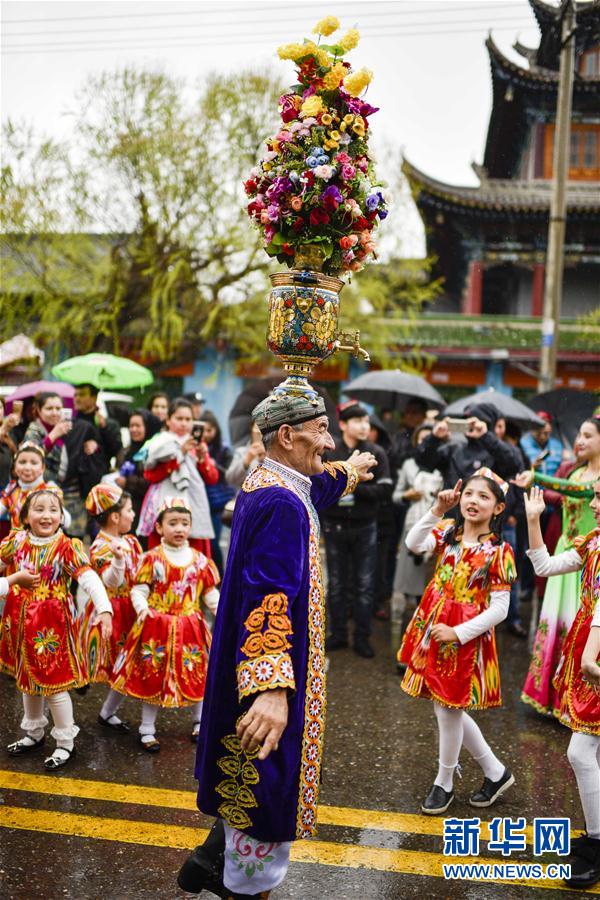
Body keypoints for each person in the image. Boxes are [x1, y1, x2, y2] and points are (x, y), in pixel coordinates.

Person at [178, 391, 376, 900]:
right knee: (264, 798)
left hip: (250, 667)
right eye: (322, 429)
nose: (331, 442)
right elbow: (269, 595)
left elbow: (315, 489)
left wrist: (349, 471)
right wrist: (272, 689)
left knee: (246, 782)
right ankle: (239, 883)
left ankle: (211, 858)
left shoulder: (268, 482)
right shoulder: (282, 504)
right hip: (269, 673)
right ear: (287, 436)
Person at [398, 470, 516, 815]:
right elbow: (412, 544)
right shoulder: (447, 534)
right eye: (470, 494)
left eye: (484, 497)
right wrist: (436, 509)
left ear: (498, 508)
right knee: (445, 706)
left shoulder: (499, 551)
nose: (473, 501)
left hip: (464, 638)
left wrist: (459, 633)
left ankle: (444, 782)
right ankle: (495, 772)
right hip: (435, 627)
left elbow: (501, 609)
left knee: (448, 707)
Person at [0, 486, 112, 770]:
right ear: (26, 516)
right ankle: (34, 733)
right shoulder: (16, 542)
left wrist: (105, 609)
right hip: (20, 625)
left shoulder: (66, 546)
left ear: (62, 516)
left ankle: (65, 743)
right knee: (27, 681)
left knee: (54, 685)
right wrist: (12, 580)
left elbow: (88, 578)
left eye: (53, 510)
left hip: (51, 628)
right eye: (39, 509)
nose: (46, 515)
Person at [524, 482, 600, 890]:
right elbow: (545, 567)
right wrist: (534, 522)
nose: (594, 505)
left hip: (596, 651)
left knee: (581, 750)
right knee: (589, 751)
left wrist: (590, 654)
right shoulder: (594, 543)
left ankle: (595, 842)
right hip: (590, 647)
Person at [110, 497, 219, 751]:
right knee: (153, 676)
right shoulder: (152, 559)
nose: (179, 529)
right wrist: (142, 608)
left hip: (190, 627)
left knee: (197, 673)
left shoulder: (200, 561)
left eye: (184, 523)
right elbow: (139, 589)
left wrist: (222, 610)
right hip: (156, 627)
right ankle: (147, 729)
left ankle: (199, 722)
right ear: (159, 527)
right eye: (172, 523)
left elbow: (209, 594)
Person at [518, 417, 600, 715]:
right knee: (558, 622)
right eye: (579, 434)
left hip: (589, 564)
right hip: (570, 551)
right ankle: (555, 696)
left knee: (584, 625)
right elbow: (563, 495)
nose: (580, 441)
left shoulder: (591, 481)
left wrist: (537, 477)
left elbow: (579, 492)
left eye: (588, 435)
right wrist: (534, 512)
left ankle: (579, 702)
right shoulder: (576, 472)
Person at [321, 400, 392, 658]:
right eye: (358, 421)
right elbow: (321, 484)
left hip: (365, 526)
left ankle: (362, 637)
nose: (364, 426)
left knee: (364, 584)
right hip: (334, 525)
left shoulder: (376, 453)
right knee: (337, 584)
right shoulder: (331, 450)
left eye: (366, 421)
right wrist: (348, 474)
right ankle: (338, 633)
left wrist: (351, 482)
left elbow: (384, 490)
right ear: (343, 425)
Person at [80, 483, 142, 733]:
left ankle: (107, 712)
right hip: (112, 612)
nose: (133, 514)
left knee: (128, 664)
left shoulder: (130, 541)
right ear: (115, 516)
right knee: (117, 664)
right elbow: (110, 582)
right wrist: (117, 558)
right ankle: (79, 688)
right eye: (130, 510)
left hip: (131, 607)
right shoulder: (100, 547)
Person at [137, 398, 218, 555]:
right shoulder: (160, 442)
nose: (184, 423)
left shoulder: (197, 444)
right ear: (168, 420)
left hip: (193, 506)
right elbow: (150, 475)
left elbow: (212, 478)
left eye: (188, 419)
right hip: (165, 504)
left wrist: (202, 458)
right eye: (179, 418)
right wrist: (180, 453)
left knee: (193, 557)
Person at [392, 423, 443, 618]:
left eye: (429, 438)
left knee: (431, 573)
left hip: (438, 522)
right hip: (413, 522)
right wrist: (407, 495)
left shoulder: (444, 461)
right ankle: (409, 614)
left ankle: (431, 610)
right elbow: (395, 496)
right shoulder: (409, 464)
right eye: (422, 439)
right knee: (408, 572)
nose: (426, 443)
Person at [415, 403, 520, 489]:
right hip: (452, 511)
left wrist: (485, 436)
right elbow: (424, 463)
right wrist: (434, 437)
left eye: (475, 422)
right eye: (466, 420)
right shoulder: (453, 449)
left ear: (487, 423)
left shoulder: (499, 450)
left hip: (485, 511)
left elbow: (514, 466)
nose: (471, 426)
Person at [0, 443, 71, 531]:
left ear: (42, 468)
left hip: (43, 543)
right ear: (14, 466)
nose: (27, 467)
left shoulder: (49, 491)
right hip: (16, 543)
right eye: (22, 462)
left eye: (34, 463)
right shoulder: (12, 490)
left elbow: (67, 522)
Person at [199, 411, 235, 574]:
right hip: (200, 500)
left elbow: (229, 473)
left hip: (217, 502)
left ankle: (218, 576)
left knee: (213, 543)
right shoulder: (196, 447)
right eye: (203, 430)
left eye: (210, 430)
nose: (206, 434)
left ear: (216, 430)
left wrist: (213, 464)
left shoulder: (224, 449)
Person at [115, 409, 162, 533]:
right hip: (125, 510)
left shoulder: (153, 451)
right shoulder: (125, 451)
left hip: (146, 509)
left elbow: (152, 481)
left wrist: (127, 482)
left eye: (138, 426)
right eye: (131, 426)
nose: (134, 429)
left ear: (147, 427)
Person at [73, 383, 122, 472]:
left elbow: (116, 450)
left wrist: (104, 429)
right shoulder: (71, 424)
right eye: (75, 395)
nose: (77, 398)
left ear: (94, 398)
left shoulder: (108, 424)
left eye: (82, 395)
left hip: (99, 475)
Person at [521, 412, 563, 478]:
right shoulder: (523, 444)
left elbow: (561, 469)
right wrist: (530, 467)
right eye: (539, 433)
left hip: (552, 485)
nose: (542, 437)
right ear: (532, 428)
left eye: (546, 433)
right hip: (532, 484)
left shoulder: (557, 445)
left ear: (550, 428)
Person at [225, 422, 266, 490]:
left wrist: (266, 459)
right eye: (257, 427)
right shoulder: (241, 452)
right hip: (245, 497)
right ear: (251, 428)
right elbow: (230, 479)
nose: (259, 432)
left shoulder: (272, 452)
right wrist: (246, 461)